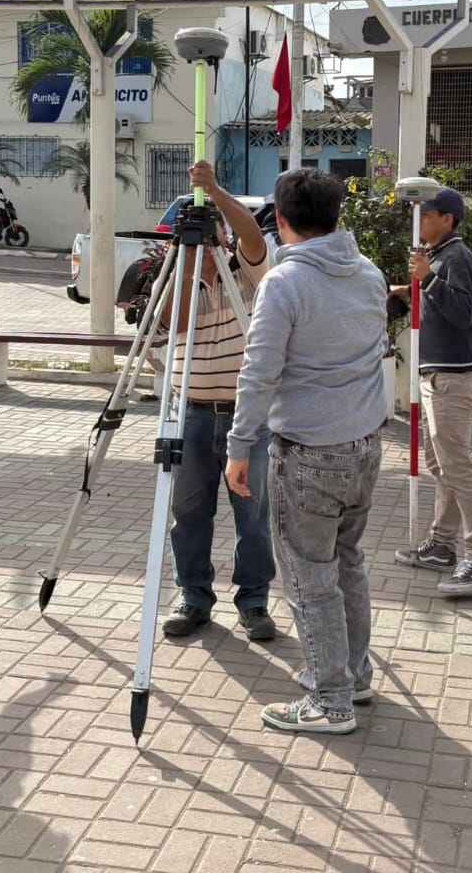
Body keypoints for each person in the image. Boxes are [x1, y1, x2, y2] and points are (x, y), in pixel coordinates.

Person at [226, 168, 388, 735]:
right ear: (337, 215)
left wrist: (239, 444)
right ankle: (353, 675)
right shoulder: (369, 274)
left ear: (281, 219)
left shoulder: (284, 283)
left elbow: (259, 371)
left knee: (307, 576)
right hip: (364, 444)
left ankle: (329, 698)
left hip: (309, 451)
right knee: (346, 562)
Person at [159, 161, 278, 643]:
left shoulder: (246, 272)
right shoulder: (179, 277)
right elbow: (173, 322)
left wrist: (215, 191)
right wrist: (190, 264)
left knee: (253, 516)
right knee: (188, 514)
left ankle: (254, 602)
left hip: (246, 418)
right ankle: (193, 597)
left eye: (215, 232)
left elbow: (253, 236)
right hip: (190, 413)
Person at [391, 187, 472, 596]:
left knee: (457, 467)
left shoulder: (455, 257)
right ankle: (441, 544)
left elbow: (464, 313)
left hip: (453, 378)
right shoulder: (437, 255)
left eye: (426, 213)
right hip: (437, 374)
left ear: (446, 219)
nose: (419, 220)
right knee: (442, 467)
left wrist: (428, 278)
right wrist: (408, 290)